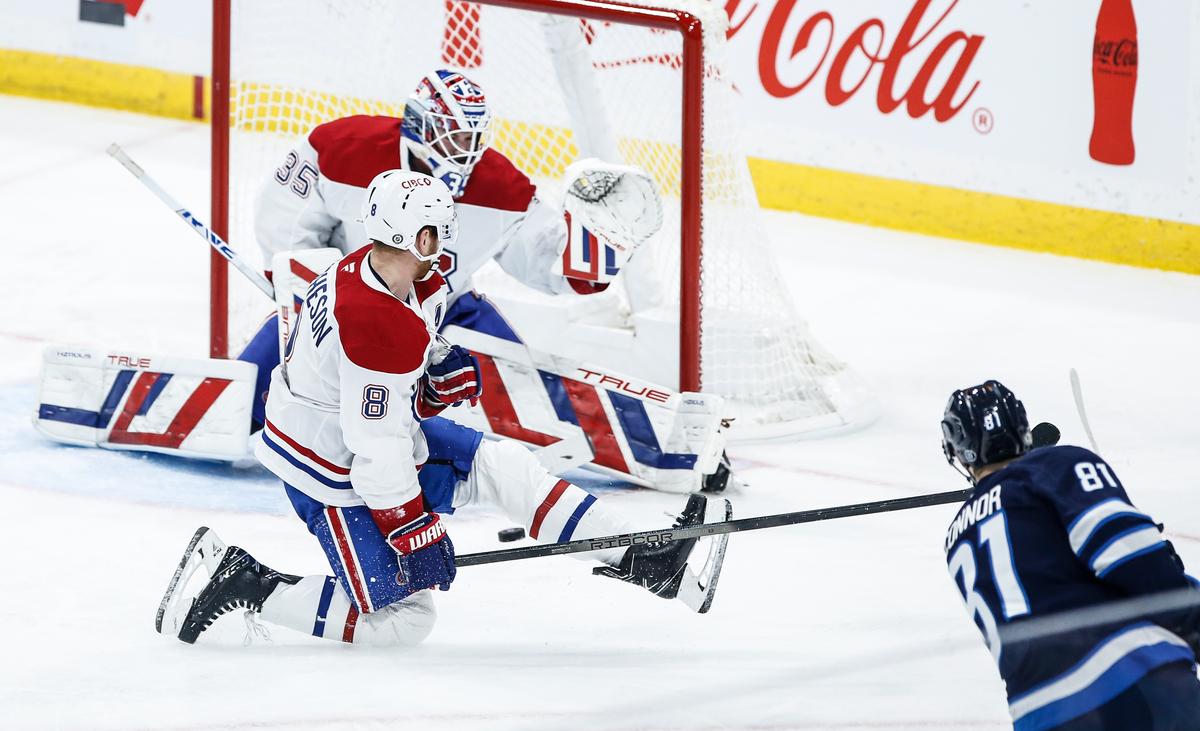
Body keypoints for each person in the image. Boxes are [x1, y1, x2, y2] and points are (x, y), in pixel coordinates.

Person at [156, 170, 729, 647]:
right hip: (327, 473)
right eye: (439, 232)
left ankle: (649, 562)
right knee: (404, 622)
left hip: (359, 438)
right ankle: (245, 583)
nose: (447, 244)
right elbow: (375, 450)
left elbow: (374, 392)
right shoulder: (375, 322)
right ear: (419, 237)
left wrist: (431, 378)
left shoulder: (386, 274)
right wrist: (411, 529)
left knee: (506, 468)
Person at [240, 67, 732, 493]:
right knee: (247, 397)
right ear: (420, 126)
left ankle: (673, 448)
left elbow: (550, 264)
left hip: (446, 310)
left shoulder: (499, 186)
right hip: (342, 311)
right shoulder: (344, 149)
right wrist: (312, 293)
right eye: (456, 137)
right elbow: (286, 223)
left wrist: (598, 247)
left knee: (530, 393)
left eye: (475, 138)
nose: (468, 151)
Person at [940, 380, 1200, 731]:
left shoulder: (957, 537)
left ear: (959, 449)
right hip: (1134, 678)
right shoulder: (1057, 465)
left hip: (1039, 715)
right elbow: (1131, 556)